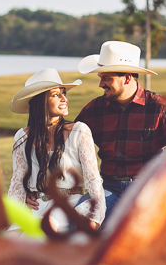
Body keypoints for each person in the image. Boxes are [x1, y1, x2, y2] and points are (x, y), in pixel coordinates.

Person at [75, 41, 166, 216]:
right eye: (100, 78)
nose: (100, 84)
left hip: (149, 187)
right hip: (108, 188)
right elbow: (67, 145)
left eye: (106, 78)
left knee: (137, 229)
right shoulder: (93, 109)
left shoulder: (159, 107)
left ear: (127, 78)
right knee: (78, 219)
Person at [7, 68, 105, 231]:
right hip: (35, 208)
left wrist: (94, 219)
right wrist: (21, 203)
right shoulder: (22, 137)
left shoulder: (79, 131)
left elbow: (94, 182)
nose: (64, 99)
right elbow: (16, 184)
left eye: (64, 93)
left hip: (68, 207)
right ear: (40, 102)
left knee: (43, 231)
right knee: (10, 240)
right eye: (55, 95)